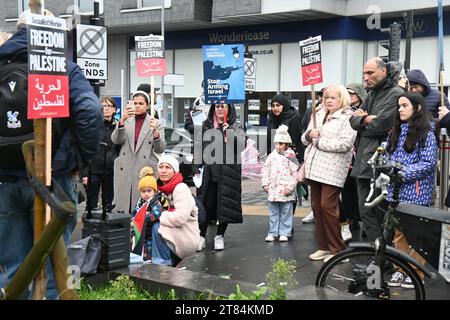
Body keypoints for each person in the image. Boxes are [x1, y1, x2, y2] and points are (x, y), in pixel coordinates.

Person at [0, 11, 103, 299]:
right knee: (56, 265)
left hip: (5, 181)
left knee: (13, 269)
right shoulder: (60, 68)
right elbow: (91, 111)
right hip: (51, 179)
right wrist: (81, 159)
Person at [382, 92, 437, 288]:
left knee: (417, 235)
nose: (400, 109)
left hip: (417, 191)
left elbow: (428, 163)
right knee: (399, 233)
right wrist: (388, 167)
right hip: (396, 191)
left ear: (418, 108)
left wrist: (401, 172)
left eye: (404, 105)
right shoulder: (395, 132)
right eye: (399, 106)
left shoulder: (427, 134)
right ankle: (401, 269)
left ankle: (416, 272)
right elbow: (387, 155)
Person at [349, 57, 404, 243]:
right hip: (364, 161)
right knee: (366, 211)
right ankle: (378, 256)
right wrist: (364, 119)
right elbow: (353, 121)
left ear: (384, 71)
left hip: (380, 163)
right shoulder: (371, 93)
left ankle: (384, 257)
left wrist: (364, 121)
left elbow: (381, 124)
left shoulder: (396, 94)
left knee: (379, 213)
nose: (366, 77)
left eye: (370, 72)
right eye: (364, 73)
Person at [301, 85, 357, 262]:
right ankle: (324, 246)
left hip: (332, 169)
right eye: (326, 98)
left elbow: (345, 144)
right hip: (314, 167)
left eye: (333, 97)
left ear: (342, 99)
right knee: (317, 208)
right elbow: (304, 139)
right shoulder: (317, 114)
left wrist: (318, 142)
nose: (329, 101)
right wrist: (310, 134)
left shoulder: (348, 117)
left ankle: (338, 249)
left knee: (328, 206)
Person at [195, 103, 245, 251]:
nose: (220, 109)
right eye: (217, 106)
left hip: (228, 173)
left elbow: (241, 146)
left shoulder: (235, 125)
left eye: (223, 106)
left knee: (225, 206)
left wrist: (228, 132)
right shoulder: (206, 125)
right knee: (206, 206)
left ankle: (219, 236)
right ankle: (201, 236)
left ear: (229, 108)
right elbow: (198, 147)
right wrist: (195, 168)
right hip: (209, 174)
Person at [111, 90, 166, 214]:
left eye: (141, 103)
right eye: (135, 103)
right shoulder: (126, 120)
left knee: (141, 208)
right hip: (124, 166)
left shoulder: (155, 123)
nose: (137, 106)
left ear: (147, 105)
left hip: (144, 167)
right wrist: (121, 122)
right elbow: (116, 140)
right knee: (122, 206)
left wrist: (156, 134)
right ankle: (122, 228)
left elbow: (160, 148)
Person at [151, 155, 201, 266]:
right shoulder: (157, 189)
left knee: (156, 226)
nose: (163, 171)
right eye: (161, 167)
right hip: (174, 232)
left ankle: (163, 266)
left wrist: (158, 216)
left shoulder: (181, 188)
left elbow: (180, 218)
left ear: (175, 171)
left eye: (168, 168)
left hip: (185, 235)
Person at [338, 83, 367, 241]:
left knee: (362, 192)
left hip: (361, 156)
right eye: (347, 93)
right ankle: (351, 219)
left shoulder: (365, 108)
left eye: (353, 93)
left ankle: (365, 223)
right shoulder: (343, 111)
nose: (350, 96)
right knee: (347, 191)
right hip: (347, 159)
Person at [81, 96, 119, 211]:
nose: (106, 109)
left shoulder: (119, 127)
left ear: (114, 109)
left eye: (109, 106)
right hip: (94, 169)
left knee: (108, 203)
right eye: (103, 106)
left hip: (111, 170)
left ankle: (105, 228)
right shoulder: (92, 125)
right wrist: (85, 173)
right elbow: (85, 149)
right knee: (91, 203)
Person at [262, 125, 299, 242]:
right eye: (277, 143)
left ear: (287, 144)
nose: (278, 146)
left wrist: (290, 187)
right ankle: (273, 232)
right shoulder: (271, 156)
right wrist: (265, 184)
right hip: (273, 190)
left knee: (286, 212)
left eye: (281, 143)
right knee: (273, 213)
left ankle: (284, 232)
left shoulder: (291, 156)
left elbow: (296, 174)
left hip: (286, 191)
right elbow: (265, 170)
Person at [301, 87, 326, 224]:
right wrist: (309, 135)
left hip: (328, 161)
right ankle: (314, 210)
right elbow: (304, 131)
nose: (323, 99)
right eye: (321, 96)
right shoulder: (312, 112)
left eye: (326, 96)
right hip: (313, 156)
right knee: (314, 189)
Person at [130, 166, 163, 261]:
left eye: (149, 191)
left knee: (148, 248)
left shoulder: (155, 201)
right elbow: (135, 212)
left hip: (149, 231)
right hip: (139, 230)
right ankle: (137, 257)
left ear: (154, 191)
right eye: (143, 191)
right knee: (136, 245)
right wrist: (133, 218)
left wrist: (143, 216)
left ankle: (148, 260)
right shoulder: (140, 202)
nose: (146, 194)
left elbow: (157, 213)